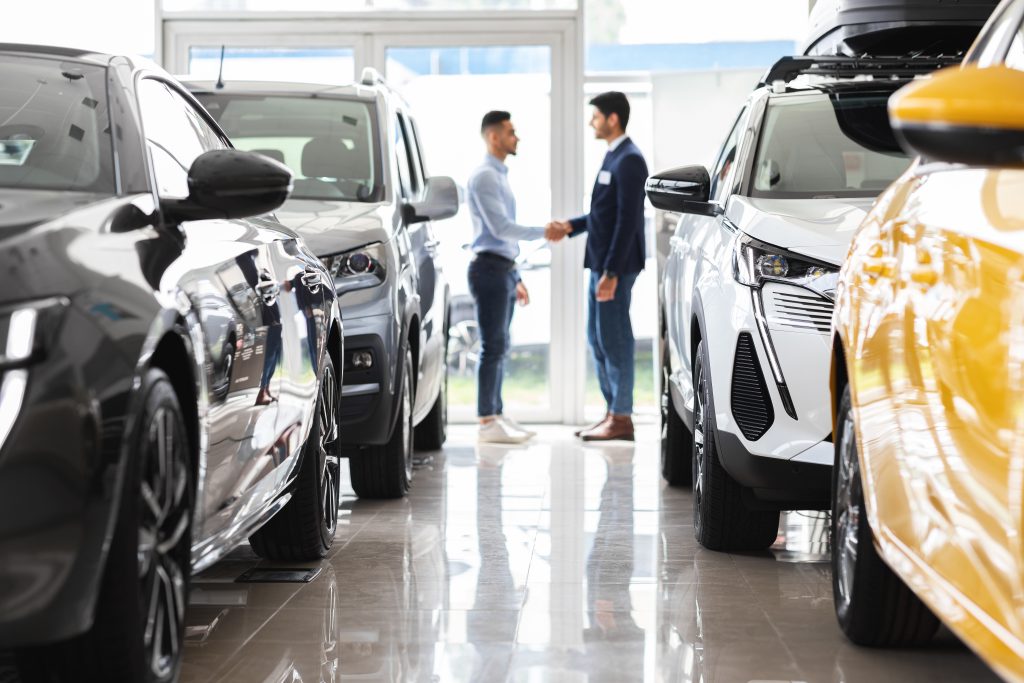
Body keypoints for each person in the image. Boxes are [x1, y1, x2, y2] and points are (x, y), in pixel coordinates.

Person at [467, 110, 568, 444]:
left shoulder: (498, 175)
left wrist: (517, 275)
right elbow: (500, 229)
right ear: (494, 136)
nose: (517, 137)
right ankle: (486, 422)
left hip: (504, 269)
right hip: (489, 269)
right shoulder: (484, 176)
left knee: (501, 345)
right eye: (511, 132)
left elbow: (503, 237)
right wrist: (544, 231)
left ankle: (495, 413)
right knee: (492, 346)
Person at [553, 92, 648, 442]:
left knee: (615, 339)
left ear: (612, 119)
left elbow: (627, 221)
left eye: (595, 116)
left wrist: (610, 272)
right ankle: (612, 413)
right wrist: (571, 226)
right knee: (597, 337)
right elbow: (603, 214)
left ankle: (621, 417)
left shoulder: (630, 160)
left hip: (615, 267)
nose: (591, 122)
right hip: (603, 263)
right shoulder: (614, 156)